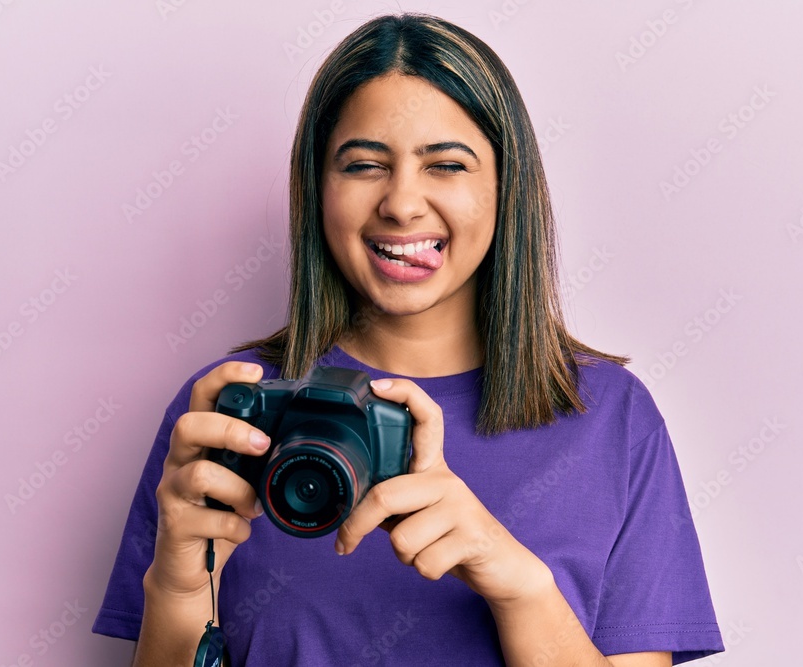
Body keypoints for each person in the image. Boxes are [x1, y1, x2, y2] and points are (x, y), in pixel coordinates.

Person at [93, 13, 724, 666]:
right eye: (364, 164)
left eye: (447, 165)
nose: (402, 202)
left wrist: (518, 584)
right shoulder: (232, 409)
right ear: (318, 189)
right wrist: (178, 583)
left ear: (507, 188)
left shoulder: (611, 418)